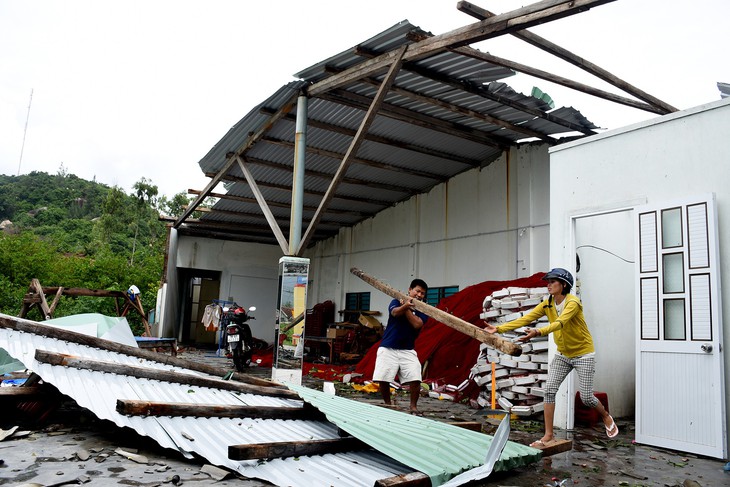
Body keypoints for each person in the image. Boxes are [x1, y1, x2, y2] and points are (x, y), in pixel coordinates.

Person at [485, 268, 618, 447]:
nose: (548, 285)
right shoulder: (547, 303)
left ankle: (606, 416)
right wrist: (499, 329)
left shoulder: (573, 303)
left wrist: (538, 332)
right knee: (549, 391)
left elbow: (559, 323)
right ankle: (548, 435)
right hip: (563, 355)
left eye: (552, 282)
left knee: (587, 398)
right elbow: (526, 318)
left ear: (564, 285)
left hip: (583, 354)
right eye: (547, 282)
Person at [372, 278, 429, 415]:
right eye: (417, 291)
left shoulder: (424, 308)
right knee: (384, 377)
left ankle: (413, 407)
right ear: (410, 290)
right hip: (388, 347)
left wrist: (407, 308)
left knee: (415, 377)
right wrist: (403, 306)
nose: (419, 295)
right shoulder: (396, 301)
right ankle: (387, 403)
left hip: (407, 349)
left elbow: (417, 324)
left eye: (422, 293)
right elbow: (395, 312)